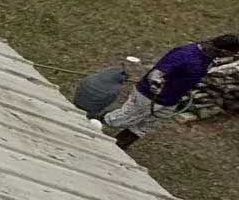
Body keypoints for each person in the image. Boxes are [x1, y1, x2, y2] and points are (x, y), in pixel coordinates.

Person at [102, 33, 239, 149]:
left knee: (144, 126)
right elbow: (156, 73)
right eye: (233, 52)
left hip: (171, 100)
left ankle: (118, 146)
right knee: (119, 120)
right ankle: (90, 125)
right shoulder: (185, 55)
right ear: (224, 51)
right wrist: (156, 84)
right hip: (149, 97)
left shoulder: (209, 57)